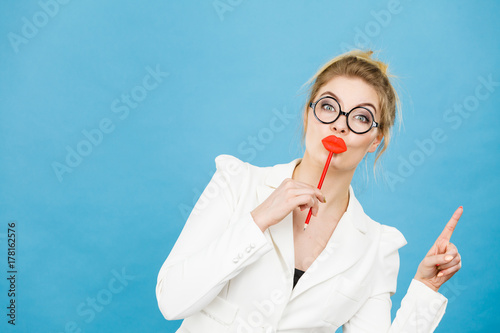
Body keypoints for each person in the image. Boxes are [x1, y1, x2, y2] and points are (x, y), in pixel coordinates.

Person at [155, 49, 462, 332]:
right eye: (329, 107)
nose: (339, 125)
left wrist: (425, 289)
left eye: (360, 117)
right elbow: (172, 301)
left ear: (374, 140)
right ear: (307, 114)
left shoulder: (377, 249)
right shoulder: (237, 183)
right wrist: (258, 220)